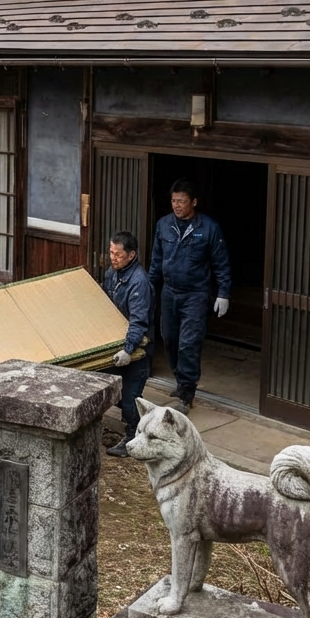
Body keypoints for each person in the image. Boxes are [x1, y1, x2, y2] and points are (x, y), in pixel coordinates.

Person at [148, 179, 232, 414]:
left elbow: (221, 263)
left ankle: (186, 391)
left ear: (194, 202)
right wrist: (148, 287)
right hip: (169, 291)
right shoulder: (164, 225)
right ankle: (180, 379)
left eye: (182, 201)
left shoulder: (208, 228)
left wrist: (223, 293)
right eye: (174, 200)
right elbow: (156, 259)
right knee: (169, 338)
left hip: (196, 293)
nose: (176, 205)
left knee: (188, 343)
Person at [102, 231, 154, 457]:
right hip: (114, 342)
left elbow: (138, 321)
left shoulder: (138, 281)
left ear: (131, 255)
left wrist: (128, 349)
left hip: (135, 349)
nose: (113, 258)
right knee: (114, 393)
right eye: (111, 253)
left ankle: (133, 438)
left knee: (131, 398)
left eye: (118, 254)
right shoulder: (112, 274)